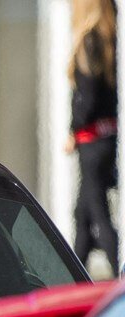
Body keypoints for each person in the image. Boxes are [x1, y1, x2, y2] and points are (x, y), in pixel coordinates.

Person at [65, 0, 119, 274]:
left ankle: (119, 273)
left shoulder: (89, 41)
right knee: (83, 214)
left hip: (90, 142)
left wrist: (73, 130)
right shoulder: (110, 40)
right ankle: (75, 277)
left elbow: (86, 98)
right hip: (107, 138)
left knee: (97, 214)